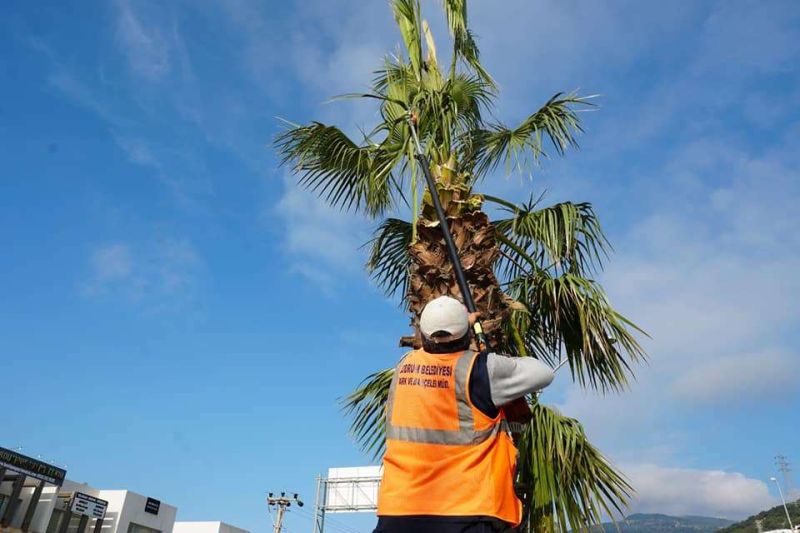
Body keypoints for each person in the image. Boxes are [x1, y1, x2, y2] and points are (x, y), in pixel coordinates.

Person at [374, 295, 555, 533]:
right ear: (467, 334)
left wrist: (458, 327)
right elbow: (544, 373)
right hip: (467, 514)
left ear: (424, 334)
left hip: (397, 514)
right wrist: (481, 344)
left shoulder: (403, 366)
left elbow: (435, 357)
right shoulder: (481, 370)